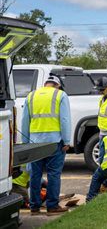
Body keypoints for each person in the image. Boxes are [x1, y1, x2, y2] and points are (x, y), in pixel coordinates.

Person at [21, 76, 71, 215]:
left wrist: (25, 142)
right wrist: (67, 141)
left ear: (45, 85)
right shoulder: (60, 95)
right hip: (54, 141)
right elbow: (65, 119)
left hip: (35, 142)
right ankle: (52, 206)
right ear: (58, 85)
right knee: (53, 174)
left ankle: (34, 207)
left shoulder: (31, 96)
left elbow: (25, 120)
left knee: (35, 175)